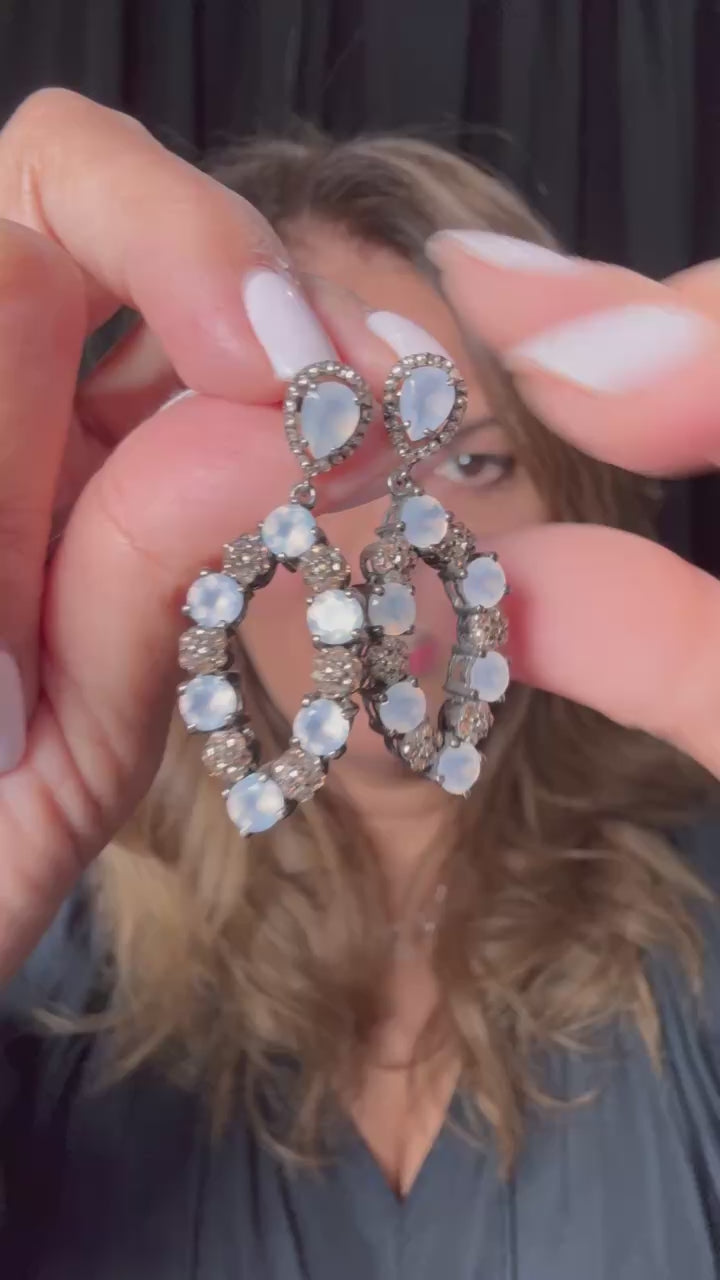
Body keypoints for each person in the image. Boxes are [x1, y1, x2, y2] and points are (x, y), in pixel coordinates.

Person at [0, 88, 719, 1279]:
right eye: (322, 469)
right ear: (179, 519)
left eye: (475, 459)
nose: (396, 560)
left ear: (573, 492)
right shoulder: (47, 965)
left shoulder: (697, 924)